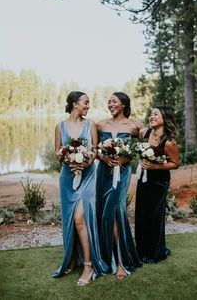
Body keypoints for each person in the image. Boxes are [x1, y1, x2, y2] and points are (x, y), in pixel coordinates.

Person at [52, 91, 108, 286]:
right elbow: (57, 152)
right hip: (67, 179)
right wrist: (67, 157)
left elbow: (95, 150)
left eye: (88, 103)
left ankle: (88, 264)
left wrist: (85, 163)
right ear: (74, 104)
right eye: (85, 102)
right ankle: (72, 259)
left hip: (88, 177)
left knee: (80, 219)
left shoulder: (90, 124)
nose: (88, 106)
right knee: (70, 221)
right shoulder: (60, 127)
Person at [96, 92, 142, 280]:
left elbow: (141, 148)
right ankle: (106, 257)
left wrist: (128, 156)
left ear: (123, 104)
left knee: (115, 211)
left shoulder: (133, 126)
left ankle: (122, 262)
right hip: (104, 173)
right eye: (109, 101)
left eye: (114, 101)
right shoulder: (100, 124)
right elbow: (95, 149)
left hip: (122, 172)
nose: (110, 104)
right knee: (105, 212)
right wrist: (104, 157)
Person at [135, 106, 179, 264]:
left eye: (156, 114)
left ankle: (155, 252)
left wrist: (156, 166)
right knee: (141, 213)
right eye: (151, 114)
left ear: (164, 118)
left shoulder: (169, 142)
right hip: (143, 178)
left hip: (159, 181)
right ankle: (141, 251)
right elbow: (133, 134)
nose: (152, 116)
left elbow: (175, 163)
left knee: (155, 215)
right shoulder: (144, 133)